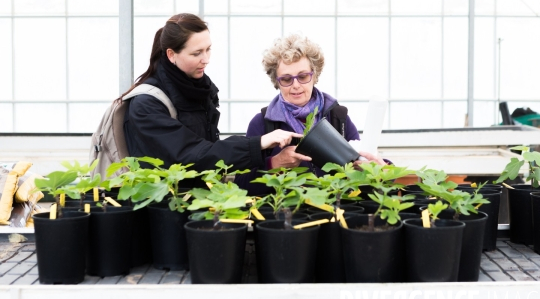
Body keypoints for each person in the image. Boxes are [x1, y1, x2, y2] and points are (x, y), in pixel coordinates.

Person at [121, 14, 301, 181]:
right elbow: (192, 155)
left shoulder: (198, 90)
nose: (206, 59)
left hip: (200, 202)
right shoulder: (146, 104)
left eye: (208, 49)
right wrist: (259, 143)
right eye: (196, 53)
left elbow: (210, 155)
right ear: (171, 54)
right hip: (162, 209)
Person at [235, 33, 385, 196]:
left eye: (303, 76)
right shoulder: (262, 124)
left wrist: (378, 166)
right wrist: (274, 164)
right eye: (286, 79)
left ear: (314, 75)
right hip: (283, 214)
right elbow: (241, 187)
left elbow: (362, 165)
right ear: (277, 81)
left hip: (334, 213)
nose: (296, 85)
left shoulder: (337, 117)